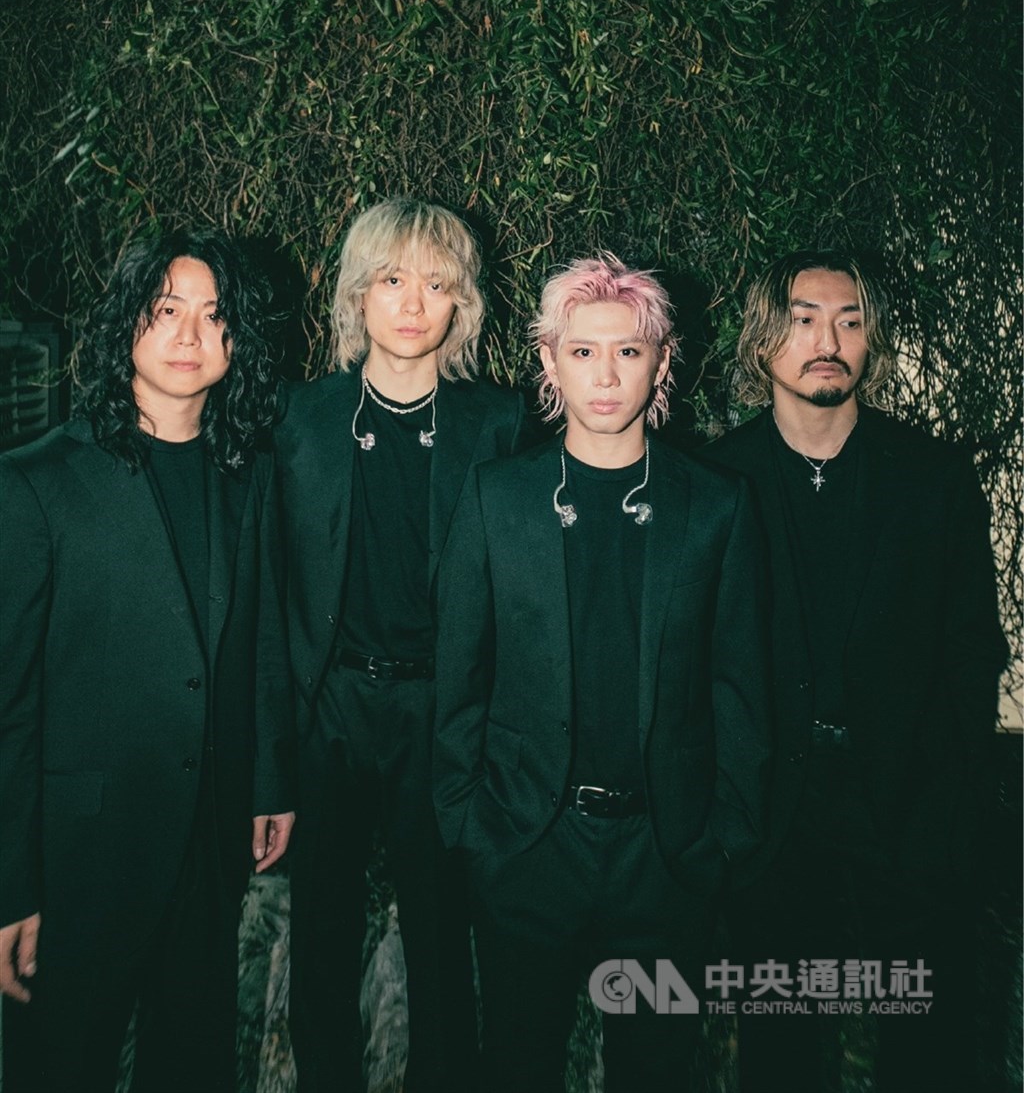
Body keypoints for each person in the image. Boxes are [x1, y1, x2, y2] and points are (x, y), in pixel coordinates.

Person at [433, 254, 770, 1093]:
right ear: (549, 362)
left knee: (657, 1071)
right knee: (517, 1065)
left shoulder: (717, 503)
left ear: (662, 360)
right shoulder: (497, 497)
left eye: (628, 350)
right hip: (527, 844)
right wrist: (470, 825)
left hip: (666, 855)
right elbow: (459, 677)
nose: (607, 374)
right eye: (583, 351)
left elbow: (740, 685)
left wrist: (723, 836)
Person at [0, 228, 295, 1093]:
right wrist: (10, 884)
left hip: (209, 835)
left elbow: (261, 642)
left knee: (193, 1065)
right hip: (79, 853)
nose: (189, 334)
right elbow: (9, 704)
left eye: (213, 314)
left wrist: (269, 780)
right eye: (166, 310)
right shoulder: (36, 482)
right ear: (127, 321)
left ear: (237, 339)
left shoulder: (248, 475)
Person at [707, 248, 1007, 1093]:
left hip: (911, 804)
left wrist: (955, 791)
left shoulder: (934, 478)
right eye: (803, 320)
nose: (827, 340)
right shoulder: (716, 480)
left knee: (930, 1047)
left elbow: (971, 647)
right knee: (780, 1051)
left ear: (871, 341)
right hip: (775, 813)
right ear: (762, 341)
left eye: (849, 321)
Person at [277, 197, 524, 1093]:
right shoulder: (302, 419)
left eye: (436, 282)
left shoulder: (497, 424)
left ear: (462, 302)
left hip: (442, 712)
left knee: (441, 928)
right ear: (358, 294)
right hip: (333, 707)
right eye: (392, 279)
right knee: (321, 930)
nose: (413, 302)